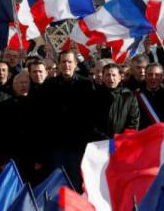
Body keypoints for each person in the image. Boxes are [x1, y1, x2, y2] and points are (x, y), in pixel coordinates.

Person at [30, 51, 96, 183]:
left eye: (69, 62)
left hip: (79, 146)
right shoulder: (48, 85)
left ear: (75, 64)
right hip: (55, 146)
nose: (66, 65)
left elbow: (92, 115)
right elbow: (40, 118)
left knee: (76, 183)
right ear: (58, 65)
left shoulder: (86, 85)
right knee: (57, 184)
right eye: (63, 62)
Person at [94, 63, 140, 139]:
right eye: (108, 75)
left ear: (119, 77)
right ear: (103, 77)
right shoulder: (95, 95)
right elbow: (91, 121)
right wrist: (104, 139)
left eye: (114, 75)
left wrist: (124, 138)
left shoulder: (129, 96)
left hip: (122, 142)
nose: (111, 78)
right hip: (100, 143)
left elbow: (133, 121)